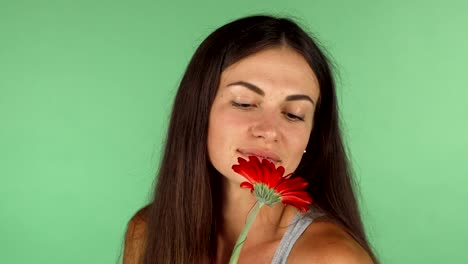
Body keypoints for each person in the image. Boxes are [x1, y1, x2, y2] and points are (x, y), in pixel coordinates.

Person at [123, 15, 379, 264]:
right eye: (244, 103)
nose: (269, 130)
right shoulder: (145, 233)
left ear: (312, 138)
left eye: (293, 115)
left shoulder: (333, 258)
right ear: (199, 113)